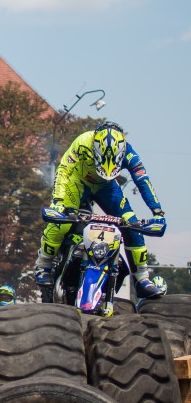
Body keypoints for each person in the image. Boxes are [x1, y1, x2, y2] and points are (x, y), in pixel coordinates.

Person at [33, 121, 166, 299]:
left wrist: (157, 212)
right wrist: (58, 202)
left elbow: (143, 181)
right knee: (62, 222)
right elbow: (64, 170)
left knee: (132, 223)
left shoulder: (130, 153)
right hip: (78, 181)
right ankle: (44, 265)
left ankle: (142, 278)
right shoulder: (83, 142)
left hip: (107, 186)